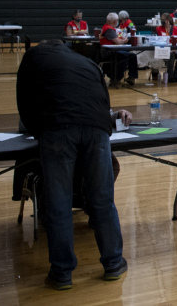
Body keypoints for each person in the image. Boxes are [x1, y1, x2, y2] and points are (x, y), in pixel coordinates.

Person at [16, 40, 129, 290]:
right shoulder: (86, 62)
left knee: (59, 204)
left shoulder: (31, 59)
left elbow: (24, 103)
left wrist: (40, 132)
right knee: (102, 200)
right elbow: (103, 100)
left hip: (57, 129)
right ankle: (113, 263)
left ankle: (62, 273)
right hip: (97, 128)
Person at [99, 13, 138, 86]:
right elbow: (117, 40)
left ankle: (132, 77)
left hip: (114, 49)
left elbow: (132, 30)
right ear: (114, 21)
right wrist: (124, 40)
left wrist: (123, 39)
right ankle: (116, 78)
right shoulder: (110, 28)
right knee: (126, 56)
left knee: (131, 55)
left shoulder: (129, 23)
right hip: (109, 52)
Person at [155, 13, 177, 82]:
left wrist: (174, 49)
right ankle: (170, 76)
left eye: (163, 20)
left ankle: (176, 75)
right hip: (163, 49)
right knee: (171, 56)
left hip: (173, 49)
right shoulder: (158, 29)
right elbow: (157, 41)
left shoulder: (176, 29)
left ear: (168, 20)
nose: (162, 21)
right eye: (161, 20)